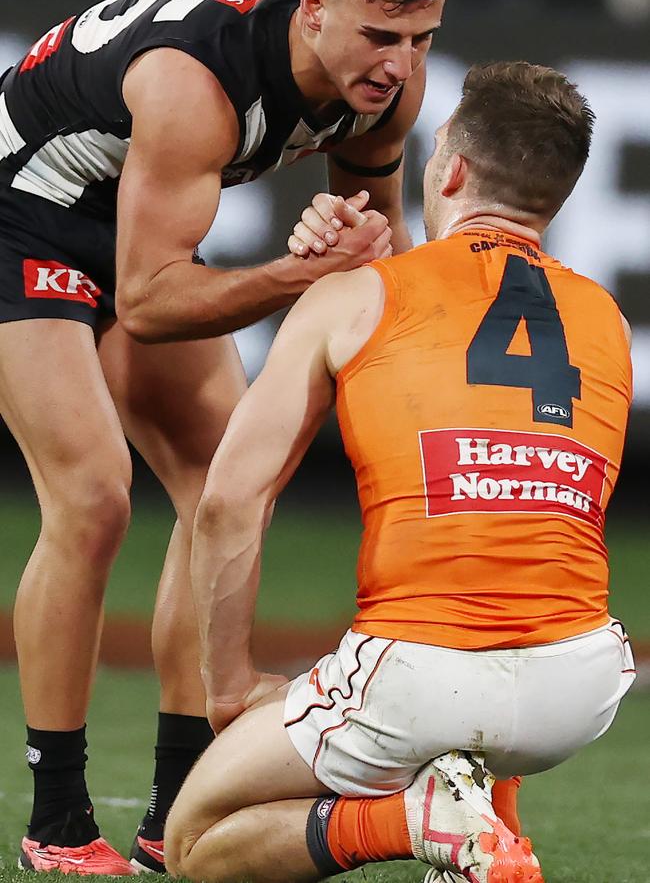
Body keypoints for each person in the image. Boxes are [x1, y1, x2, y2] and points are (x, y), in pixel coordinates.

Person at [0, 0, 452, 876]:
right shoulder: (192, 82)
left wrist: (369, 278)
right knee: (90, 495)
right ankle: (59, 816)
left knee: (221, 482)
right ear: (313, 9)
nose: (398, 65)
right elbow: (152, 301)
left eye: (421, 38)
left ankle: (175, 804)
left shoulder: (383, 87)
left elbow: (378, 260)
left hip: (129, 220)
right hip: (20, 220)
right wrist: (296, 277)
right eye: (380, 34)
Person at [164, 61, 636, 883]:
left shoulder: (356, 296)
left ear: (447, 163)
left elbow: (230, 502)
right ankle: (486, 830)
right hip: (582, 683)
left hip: (421, 670)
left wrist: (229, 683)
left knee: (194, 841)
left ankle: (416, 819)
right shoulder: (609, 319)